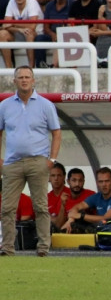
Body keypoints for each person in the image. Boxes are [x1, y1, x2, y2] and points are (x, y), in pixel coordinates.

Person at [0, 66, 61, 257]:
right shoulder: (4, 105)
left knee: (40, 207)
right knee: (7, 208)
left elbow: (56, 132)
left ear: (33, 80)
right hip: (12, 163)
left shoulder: (45, 105)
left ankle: (43, 248)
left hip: (38, 161)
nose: (24, 80)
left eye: (27, 77)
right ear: (14, 81)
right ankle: (7, 248)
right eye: (21, 77)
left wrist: (52, 159)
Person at [61, 167, 111, 233]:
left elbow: (106, 218)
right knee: (76, 223)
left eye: (107, 181)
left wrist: (81, 216)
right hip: (101, 232)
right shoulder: (96, 197)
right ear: (97, 183)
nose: (104, 184)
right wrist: (71, 220)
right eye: (101, 181)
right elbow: (77, 207)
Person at [0, 0, 43, 69]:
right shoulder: (11, 2)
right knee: (2, 34)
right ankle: (9, 69)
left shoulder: (32, 2)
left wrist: (13, 23)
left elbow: (32, 26)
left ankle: (31, 68)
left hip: (36, 33)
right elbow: (6, 25)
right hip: (19, 33)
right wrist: (19, 30)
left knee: (29, 33)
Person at [34, 0, 72, 68]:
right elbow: (46, 27)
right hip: (52, 35)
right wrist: (53, 35)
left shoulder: (73, 4)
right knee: (39, 39)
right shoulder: (49, 6)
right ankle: (41, 67)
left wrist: (61, 35)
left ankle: (56, 66)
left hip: (67, 36)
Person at [47, 162, 71, 231]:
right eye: (53, 175)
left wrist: (51, 218)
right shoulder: (46, 198)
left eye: (59, 175)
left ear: (64, 177)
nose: (56, 178)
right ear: (48, 178)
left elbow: (60, 224)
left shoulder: (70, 194)